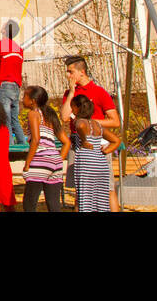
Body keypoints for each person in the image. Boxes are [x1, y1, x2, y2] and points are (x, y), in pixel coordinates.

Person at [61, 55, 120, 209]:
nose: (68, 76)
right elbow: (65, 117)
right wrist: (72, 93)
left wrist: (91, 124)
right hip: (78, 145)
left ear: (82, 72)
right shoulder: (69, 93)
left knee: (108, 188)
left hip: (98, 144)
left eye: (70, 71)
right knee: (80, 189)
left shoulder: (98, 92)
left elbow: (115, 121)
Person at [22, 86, 68, 212]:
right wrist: (58, 160)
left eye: (24, 96)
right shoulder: (50, 115)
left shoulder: (33, 114)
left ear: (33, 100)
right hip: (55, 161)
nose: (22, 99)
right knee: (54, 204)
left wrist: (27, 164)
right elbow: (66, 142)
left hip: (40, 159)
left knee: (29, 203)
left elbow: (36, 140)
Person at [68, 96, 118, 212]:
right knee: (101, 200)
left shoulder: (79, 121)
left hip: (86, 165)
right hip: (101, 165)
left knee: (84, 200)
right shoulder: (97, 125)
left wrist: (84, 140)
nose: (72, 110)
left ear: (77, 108)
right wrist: (105, 150)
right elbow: (116, 140)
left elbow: (80, 126)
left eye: (72, 107)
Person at [0, 22, 27, 145]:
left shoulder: (0, 45)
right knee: (14, 119)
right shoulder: (19, 49)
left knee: (6, 119)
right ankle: (22, 144)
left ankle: (10, 148)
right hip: (16, 86)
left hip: (4, 85)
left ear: (5, 30)